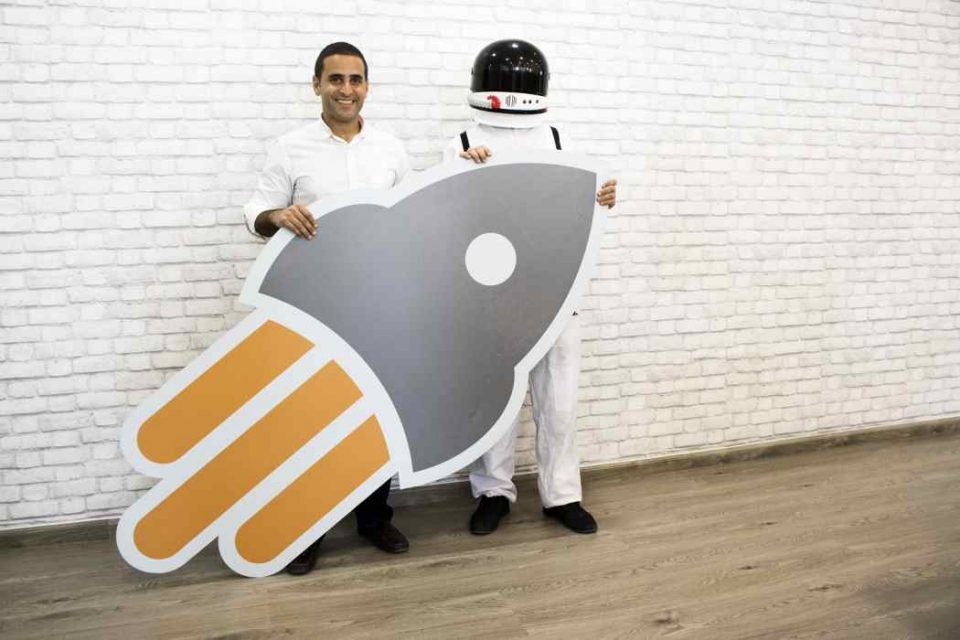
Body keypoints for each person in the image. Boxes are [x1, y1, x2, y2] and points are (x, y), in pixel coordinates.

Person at [243, 41, 410, 575]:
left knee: (373, 415)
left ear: (367, 87)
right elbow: (255, 211)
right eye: (335, 79)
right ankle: (306, 527)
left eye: (355, 79)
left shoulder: (390, 149)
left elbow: (411, 220)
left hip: (376, 303)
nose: (346, 89)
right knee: (307, 418)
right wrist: (277, 216)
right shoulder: (290, 148)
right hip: (310, 305)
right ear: (316, 84)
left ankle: (373, 518)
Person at [443, 39, 617, 536]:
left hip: (554, 290)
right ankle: (492, 492)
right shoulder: (460, 141)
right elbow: (443, 218)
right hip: (488, 295)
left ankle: (562, 495)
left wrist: (602, 196)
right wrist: (460, 172)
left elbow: (577, 206)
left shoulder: (557, 137)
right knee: (494, 400)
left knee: (560, 401)